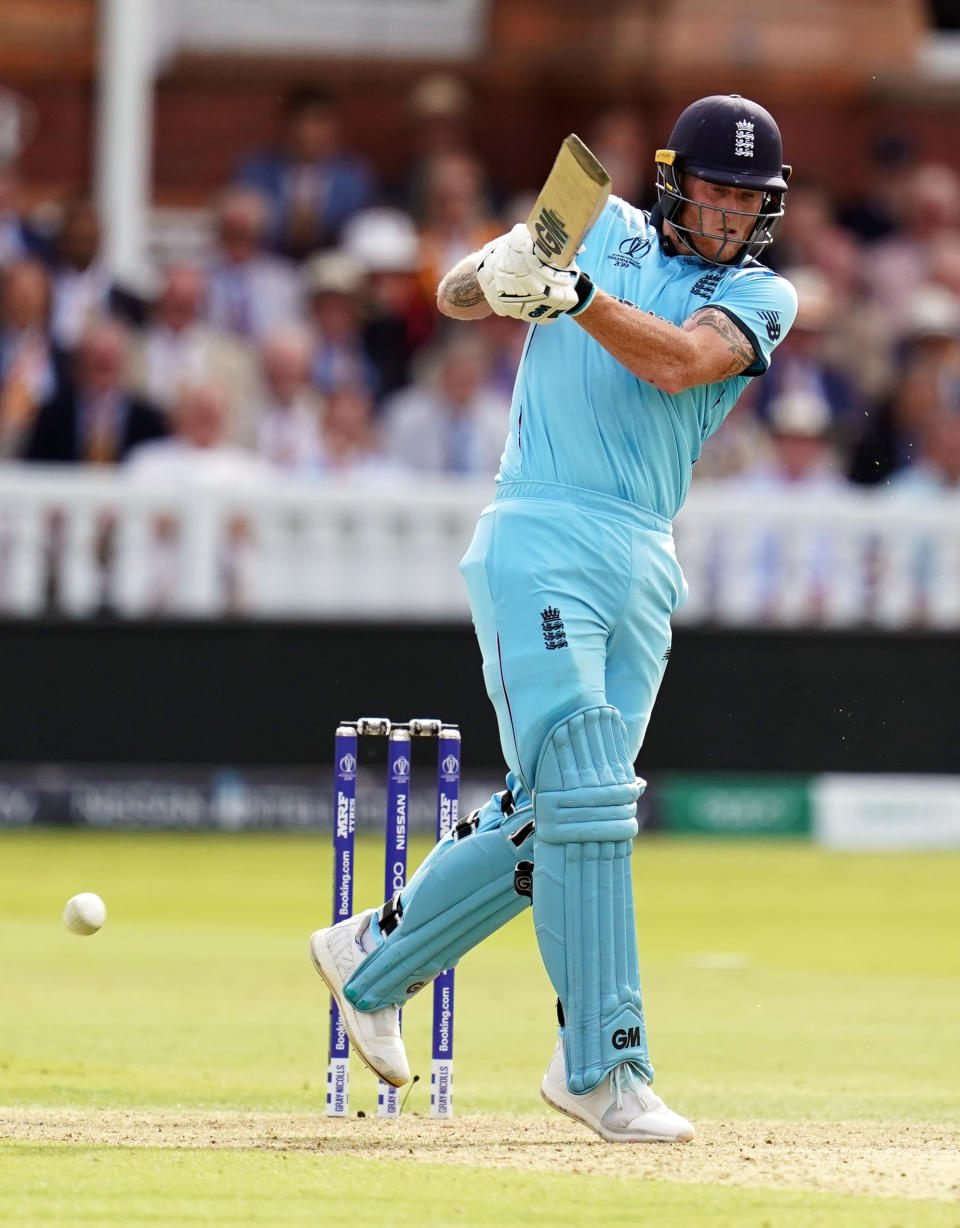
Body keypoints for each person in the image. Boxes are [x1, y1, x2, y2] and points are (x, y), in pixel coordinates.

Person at [309, 95, 797, 1143]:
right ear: (675, 182)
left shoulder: (762, 291)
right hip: (538, 525)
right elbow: (448, 294)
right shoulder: (595, 221)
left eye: (747, 200)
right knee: (583, 786)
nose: (726, 214)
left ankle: (372, 957)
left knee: (569, 811)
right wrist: (496, 278)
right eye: (714, 191)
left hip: (644, 553)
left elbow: (679, 360)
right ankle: (605, 1065)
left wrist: (571, 298)